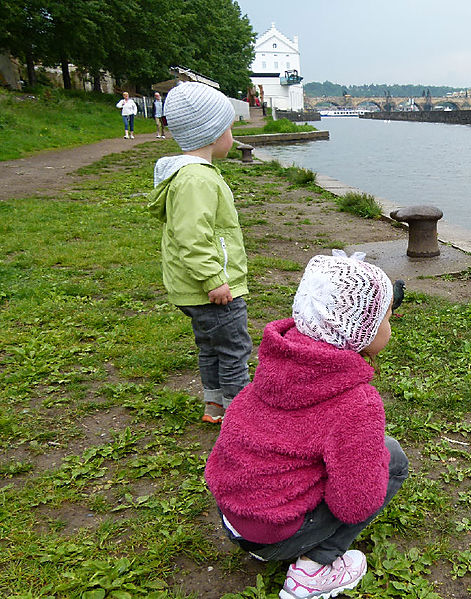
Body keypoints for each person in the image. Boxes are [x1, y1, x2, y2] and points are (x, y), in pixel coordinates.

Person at [205, 251, 409, 599]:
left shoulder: (277, 366)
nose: (390, 327)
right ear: (360, 330)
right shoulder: (356, 402)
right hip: (275, 533)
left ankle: (269, 539)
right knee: (393, 459)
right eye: (388, 319)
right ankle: (315, 569)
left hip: (233, 520)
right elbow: (355, 505)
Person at [146, 82, 250, 424]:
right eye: (230, 127)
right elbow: (193, 236)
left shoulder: (189, 175)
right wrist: (214, 279)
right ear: (214, 132)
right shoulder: (197, 180)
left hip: (196, 288)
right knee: (234, 350)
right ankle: (241, 420)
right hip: (213, 290)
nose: (232, 134)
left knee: (211, 348)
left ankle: (215, 406)